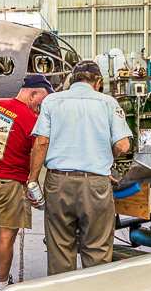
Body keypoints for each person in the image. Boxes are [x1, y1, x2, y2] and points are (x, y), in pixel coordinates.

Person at [27, 60, 132, 274]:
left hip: (58, 183)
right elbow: (122, 145)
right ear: (98, 82)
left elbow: (41, 142)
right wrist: (102, 162)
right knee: (97, 250)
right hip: (95, 186)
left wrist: (32, 180)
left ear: (71, 80)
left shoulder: (52, 102)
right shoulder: (108, 103)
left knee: (59, 249)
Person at [0, 74, 56, 290]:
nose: (42, 106)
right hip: (11, 183)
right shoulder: (32, 120)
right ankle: (2, 284)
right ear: (33, 93)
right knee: (7, 235)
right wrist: (33, 182)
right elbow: (39, 149)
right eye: (42, 100)